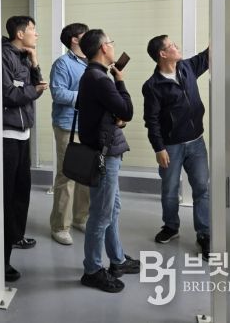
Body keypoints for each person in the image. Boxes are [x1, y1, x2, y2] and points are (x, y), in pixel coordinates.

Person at [77, 29, 140, 293]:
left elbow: (97, 112)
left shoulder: (92, 75)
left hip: (104, 149)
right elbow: (127, 110)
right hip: (104, 154)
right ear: (103, 48)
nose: (113, 47)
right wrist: (121, 81)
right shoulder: (101, 79)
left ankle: (117, 260)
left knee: (112, 209)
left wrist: (114, 119)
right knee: (101, 214)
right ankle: (92, 270)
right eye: (111, 43)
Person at [141, 36, 210, 260]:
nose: (176, 46)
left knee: (202, 188)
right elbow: (151, 120)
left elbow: (208, 55)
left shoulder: (187, 67)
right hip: (171, 146)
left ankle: (205, 233)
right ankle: (170, 226)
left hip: (196, 141)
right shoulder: (152, 86)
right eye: (171, 45)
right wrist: (158, 148)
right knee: (170, 190)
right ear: (162, 54)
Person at [1, 16, 48, 282]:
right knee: (7, 198)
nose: (36, 34)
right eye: (33, 30)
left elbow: (37, 86)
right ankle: (2, 260)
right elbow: (8, 95)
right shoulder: (4, 56)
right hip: (6, 134)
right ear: (20, 33)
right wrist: (33, 89)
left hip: (23, 132)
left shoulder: (23, 56)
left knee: (22, 192)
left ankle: (16, 236)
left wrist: (35, 61)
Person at [49, 23, 90, 246]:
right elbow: (58, 93)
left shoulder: (92, 62)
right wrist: (87, 95)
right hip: (68, 126)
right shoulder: (62, 63)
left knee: (85, 175)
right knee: (67, 176)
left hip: (89, 125)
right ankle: (59, 226)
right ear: (74, 39)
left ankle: (80, 218)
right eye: (85, 34)